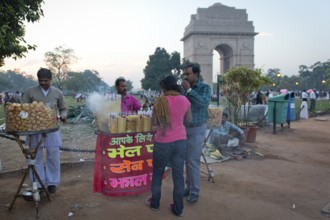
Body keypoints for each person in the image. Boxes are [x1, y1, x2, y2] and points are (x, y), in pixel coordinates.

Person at [145, 75, 192, 217]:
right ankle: (178, 209)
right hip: (180, 141)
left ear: (164, 87)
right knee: (178, 176)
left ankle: (155, 204)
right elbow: (188, 120)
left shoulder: (159, 102)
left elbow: (154, 126)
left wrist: (163, 122)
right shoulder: (185, 100)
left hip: (163, 142)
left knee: (158, 173)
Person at [21, 68, 67, 194]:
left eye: (46, 81)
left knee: (53, 156)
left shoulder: (57, 92)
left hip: (52, 129)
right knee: (36, 156)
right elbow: (23, 108)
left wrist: (63, 115)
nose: (43, 83)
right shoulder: (30, 92)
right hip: (34, 129)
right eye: (41, 81)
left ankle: (52, 183)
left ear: (51, 80)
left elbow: (63, 108)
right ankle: (39, 183)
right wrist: (26, 118)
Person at [181, 63, 211, 203]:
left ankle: (195, 191)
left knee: (193, 161)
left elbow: (203, 103)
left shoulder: (205, 88)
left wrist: (188, 91)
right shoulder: (183, 89)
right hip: (184, 128)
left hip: (198, 128)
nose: (185, 76)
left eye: (188, 74)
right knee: (187, 160)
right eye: (185, 74)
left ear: (196, 74)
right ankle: (188, 187)